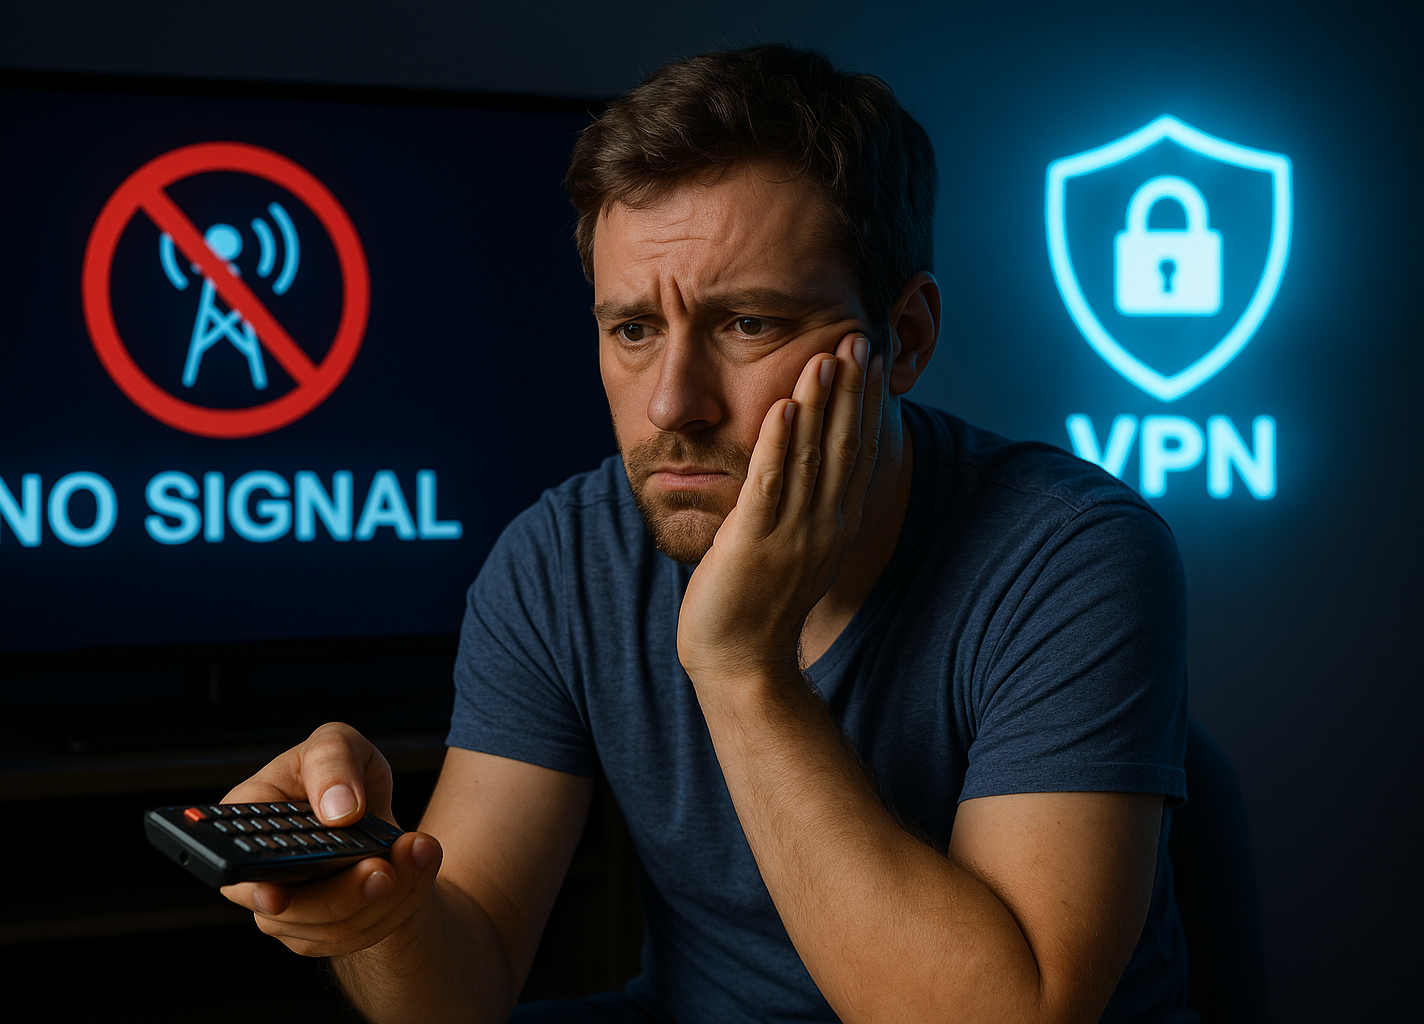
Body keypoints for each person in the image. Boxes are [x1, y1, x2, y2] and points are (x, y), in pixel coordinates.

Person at [220, 45, 1193, 1024]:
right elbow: (459, 992)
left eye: (748, 324)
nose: (672, 403)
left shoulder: (1072, 555)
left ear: (904, 337)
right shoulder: (562, 559)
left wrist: (741, 665)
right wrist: (381, 912)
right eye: (634, 330)